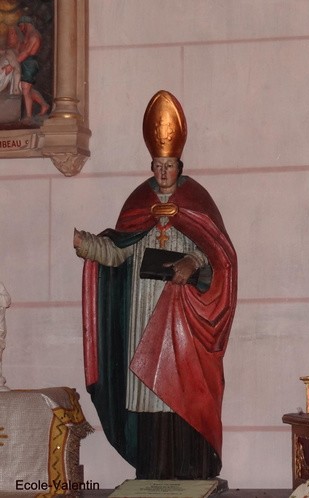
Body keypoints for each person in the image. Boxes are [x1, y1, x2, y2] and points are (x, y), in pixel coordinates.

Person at [74, 91, 237, 479]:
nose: (164, 172)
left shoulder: (197, 201)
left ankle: (191, 469)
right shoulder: (138, 204)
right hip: (144, 313)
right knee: (148, 386)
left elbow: (218, 252)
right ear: (152, 166)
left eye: (170, 166)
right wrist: (89, 246)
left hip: (183, 316)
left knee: (184, 386)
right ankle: (153, 471)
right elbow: (119, 252)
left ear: (180, 166)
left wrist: (192, 260)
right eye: (158, 166)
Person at [12, 16, 49, 119]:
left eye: (21, 26)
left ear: (26, 24)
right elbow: (18, 50)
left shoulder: (34, 36)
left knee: (25, 89)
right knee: (26, 88)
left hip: (29, 64)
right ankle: (44, 105)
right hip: (23, 62)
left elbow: (26, 52)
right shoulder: (27, 36)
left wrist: (12, 64)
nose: (20, 29)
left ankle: (28, 116)